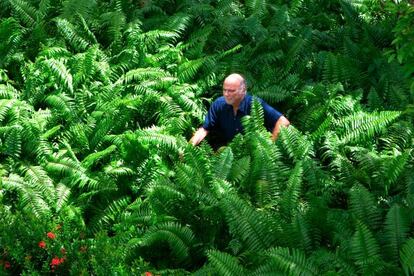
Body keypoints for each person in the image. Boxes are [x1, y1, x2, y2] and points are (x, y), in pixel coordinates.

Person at [190, 73, 290, 146]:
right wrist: (189, 146)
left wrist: (270, 147)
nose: (226, 94)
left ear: (243, 91)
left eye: (231, 91)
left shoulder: (254, 104)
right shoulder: (219, 104)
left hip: (257, 155)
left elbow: (283, 121)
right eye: (224, 90)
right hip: (233, 156)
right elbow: (204, 129)